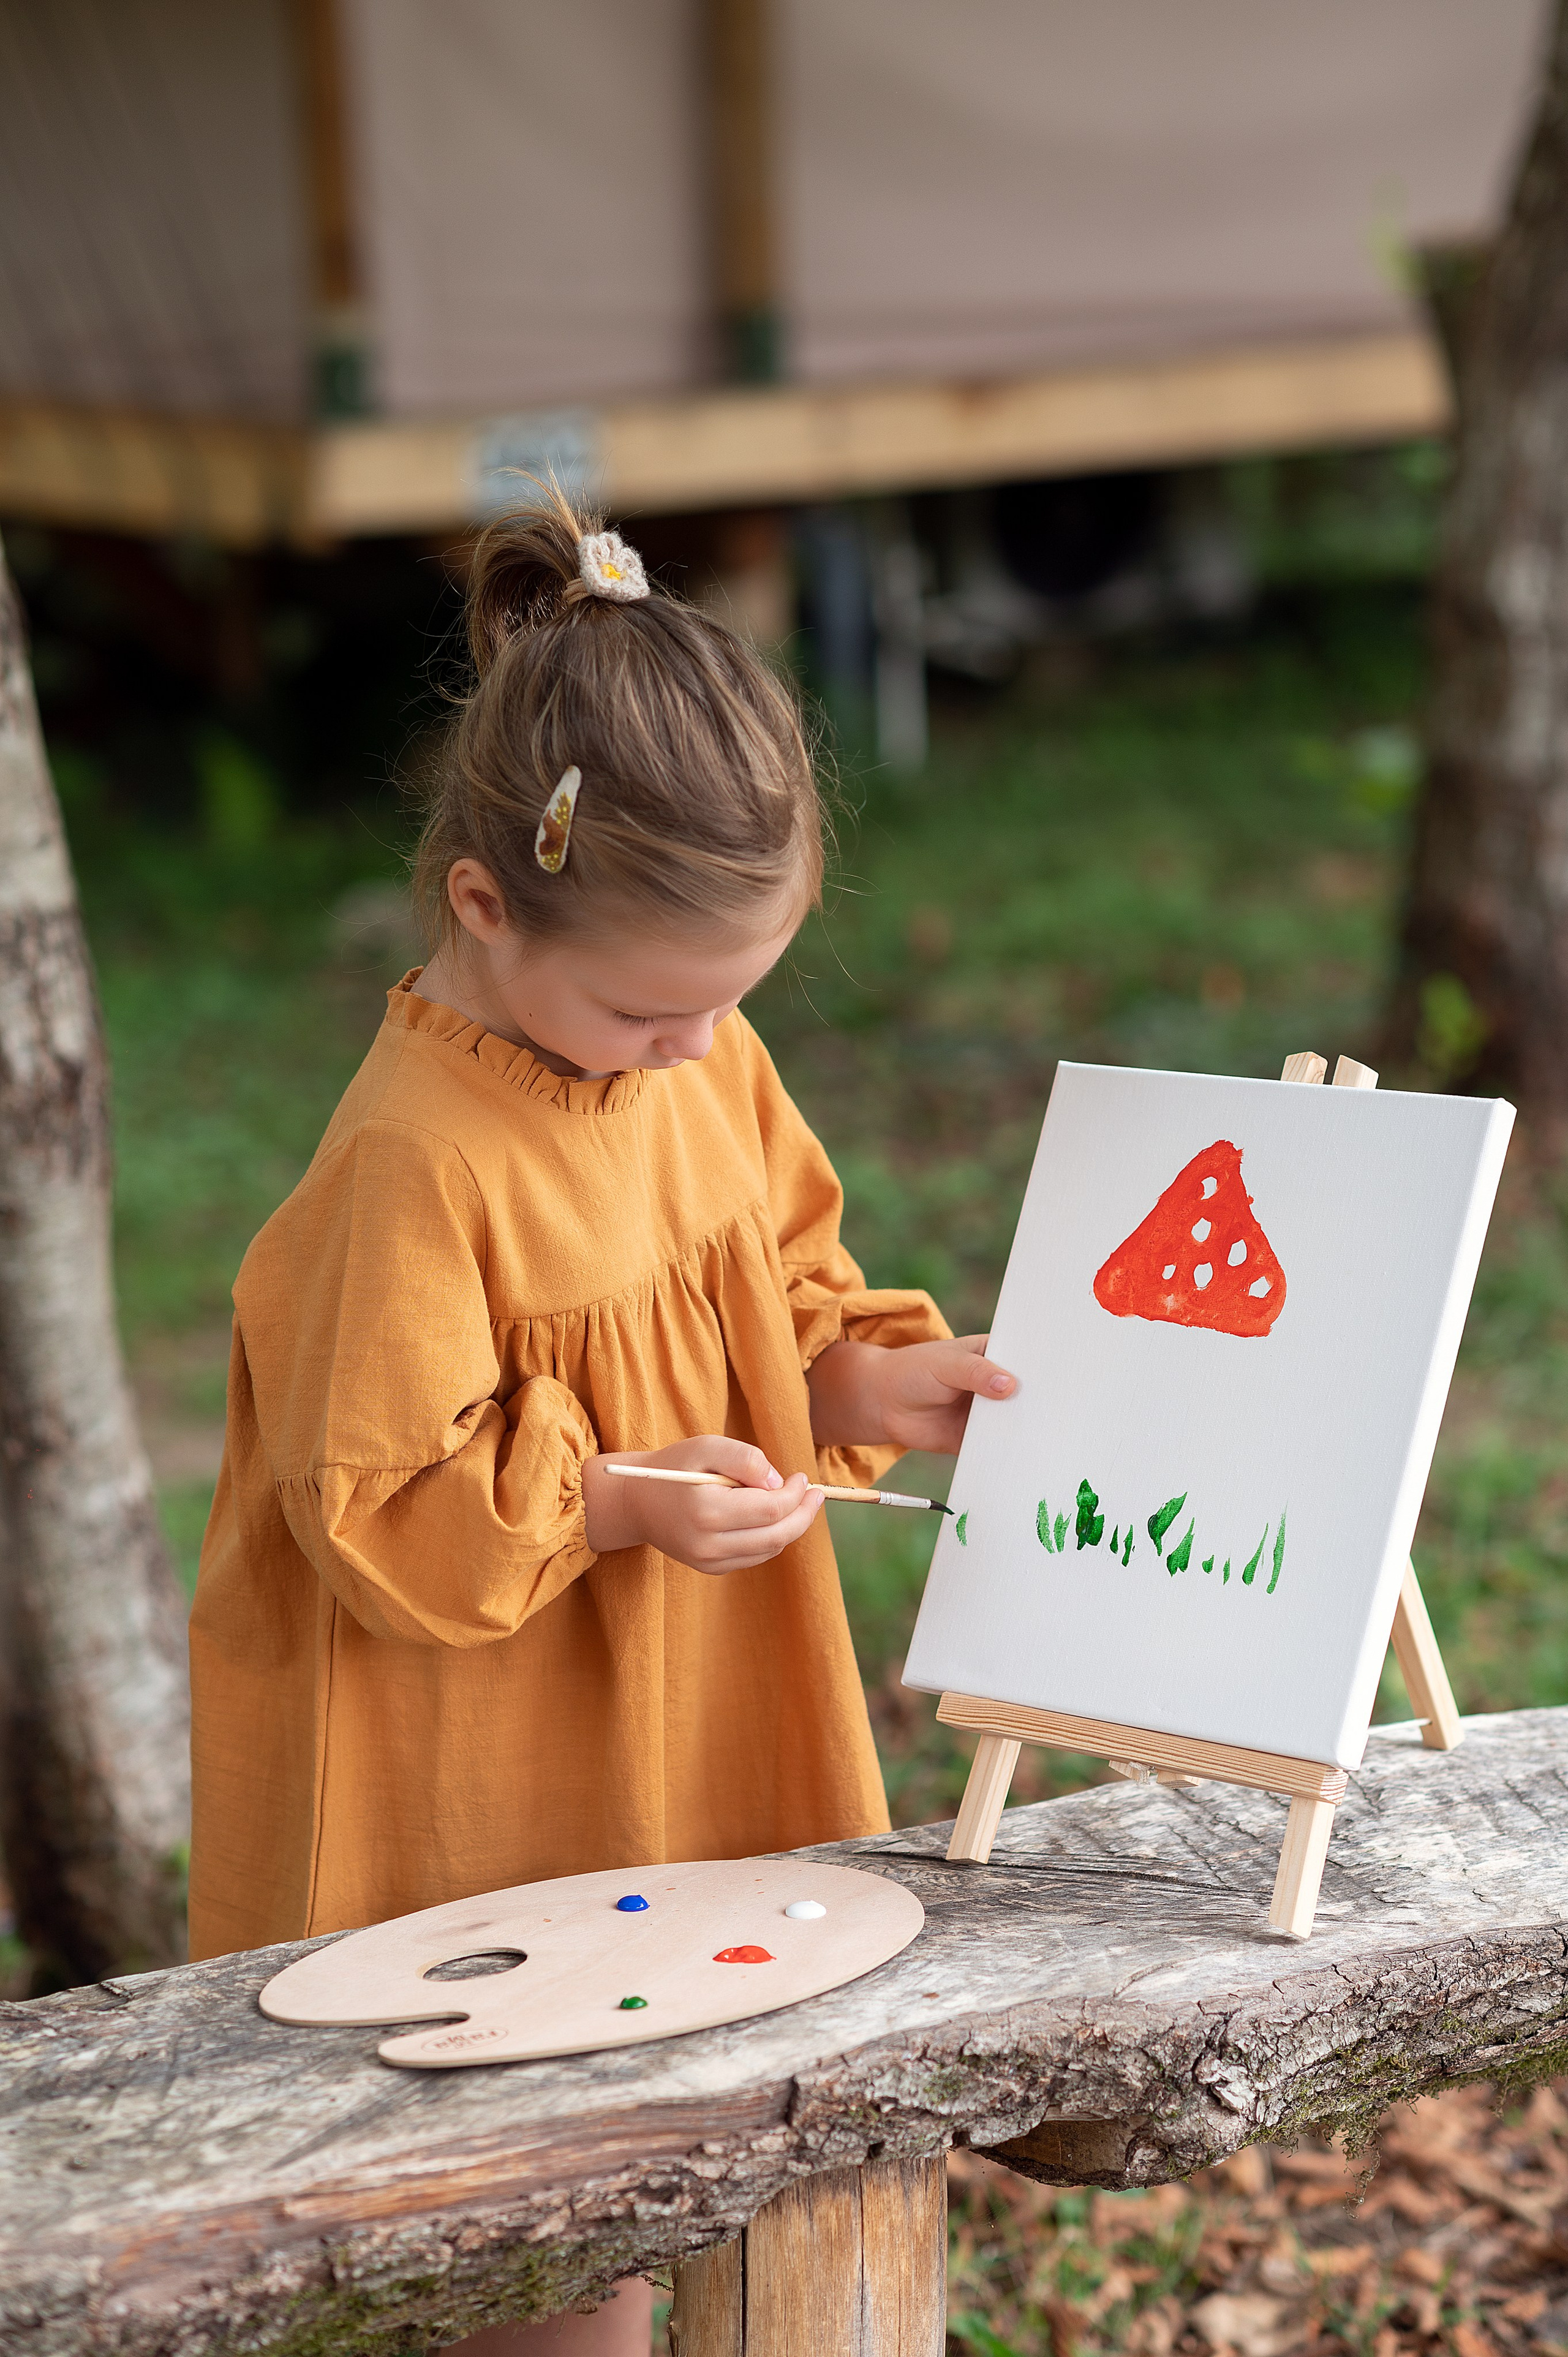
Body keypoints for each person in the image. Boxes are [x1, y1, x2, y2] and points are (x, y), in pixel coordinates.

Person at [187, 490, 1015, 2355]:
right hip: (488, 1753)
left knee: (731, 2096)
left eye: (735, 1006)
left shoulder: (693, 1057)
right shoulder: (417, 1158)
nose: (700, 1053)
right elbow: (381, 1500)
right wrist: (628, 1504)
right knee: (540, 2199)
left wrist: (860, 1381)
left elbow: (778, 1289)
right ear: (484, 903)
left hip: (687, 1710)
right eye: (657, 1010)